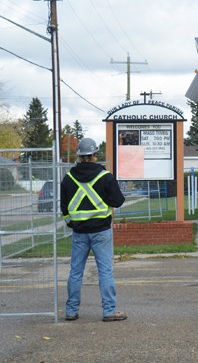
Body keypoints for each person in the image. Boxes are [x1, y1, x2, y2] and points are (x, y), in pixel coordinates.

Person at [61, 138, 127, 322]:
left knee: (75, 272)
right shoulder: (104, 176)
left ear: (79, 156)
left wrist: (72, 222)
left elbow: (64, 207)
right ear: (94, 155)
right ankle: (109, 311)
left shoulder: (69, 178)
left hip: (79, 232)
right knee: (105, 271)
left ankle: (71, 311)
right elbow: (118, 201)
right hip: (102, 232)